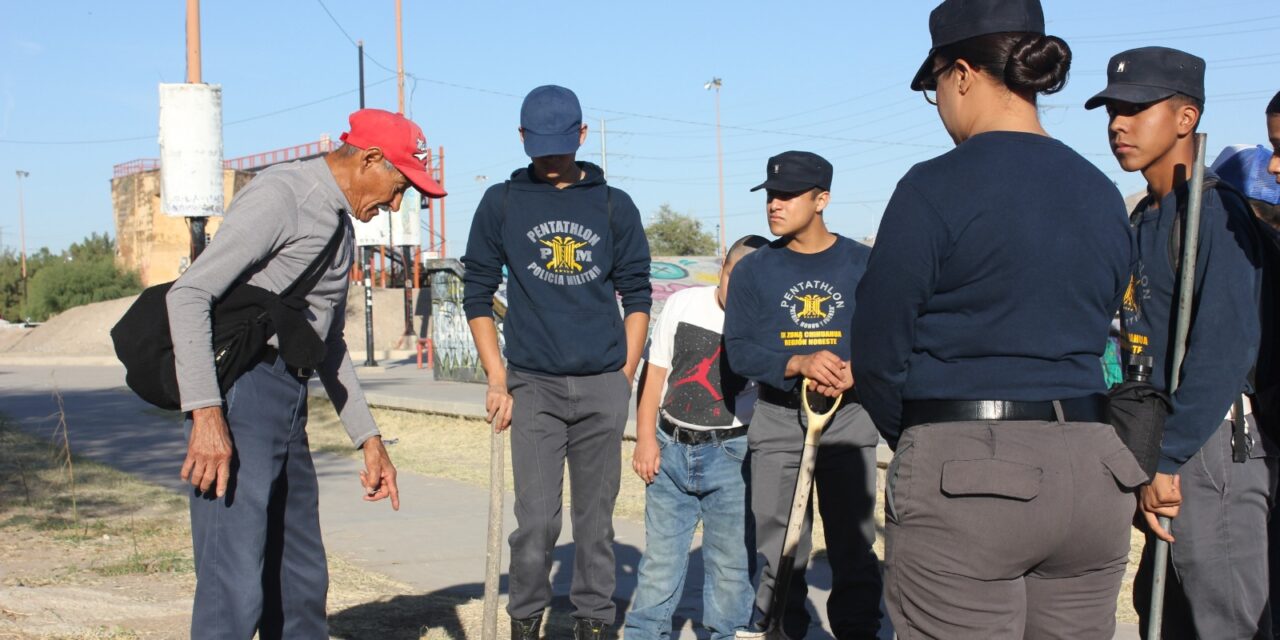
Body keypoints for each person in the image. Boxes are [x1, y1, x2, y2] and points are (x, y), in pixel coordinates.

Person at [851, 1, 1142, 637]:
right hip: (1094, 468)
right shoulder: (1100, 191)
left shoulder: (934, 187)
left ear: (959, 73)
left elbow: (877, 348)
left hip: (970, 469)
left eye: (935, 89)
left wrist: (926, 434)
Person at [167, 108, 435, 639]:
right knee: (234, 587)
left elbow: (326, 342)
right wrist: (206, 415)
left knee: (301, 581)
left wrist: (368, 437)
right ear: (371, 159)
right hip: (240, 397)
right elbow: (189, 293)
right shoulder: (285, 195)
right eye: (399, 186)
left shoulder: (338, 223)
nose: (396, 204)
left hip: (287, 401)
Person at [1085, 46, 1277, 639]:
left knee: (1225, 616)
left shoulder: (1215, 216)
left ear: (1186, 118)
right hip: (1159, 441)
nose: (1119, 123)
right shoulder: (1145, 217)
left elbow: (1228, 346)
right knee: (1166, 614)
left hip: (1210, 444)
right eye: (1113, 109)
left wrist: (1169, 457)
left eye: (1138, 108)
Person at [461, 85, 651, 640]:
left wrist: (624, 377)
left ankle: (594, 624)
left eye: (561, 145)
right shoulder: (501, 202)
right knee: (538, 522)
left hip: (601, 385)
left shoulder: (614, 204)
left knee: (595, 525)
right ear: (521, 137)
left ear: (582, 137)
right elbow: (476, 294)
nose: (549, 157)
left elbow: (637, 295)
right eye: (538, 145)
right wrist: (498, 378)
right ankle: (526, 621)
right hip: (533, 386)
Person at [723, 151, 882, 639]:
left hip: (849, 419)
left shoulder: (864, 264)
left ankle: (858, 632)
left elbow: (890, 334)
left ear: (822, 200)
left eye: (789, 195)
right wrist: (797, 362)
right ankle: (782, 631)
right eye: (771, 194)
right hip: (777, 419)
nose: (775, 204)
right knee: (780, 548)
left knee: (852, 546)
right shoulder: (755, 270)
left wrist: (859, 370)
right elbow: (739, 350)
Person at [625, 234, 767, 640]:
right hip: (669, 449)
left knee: (731, 570)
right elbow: (654, 376)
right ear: (723, 266)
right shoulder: (683, 303)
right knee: (659, 566)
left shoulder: (764, 320)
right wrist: (645, 439)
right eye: (731, 279)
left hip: (732, 457)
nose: (736, 292)